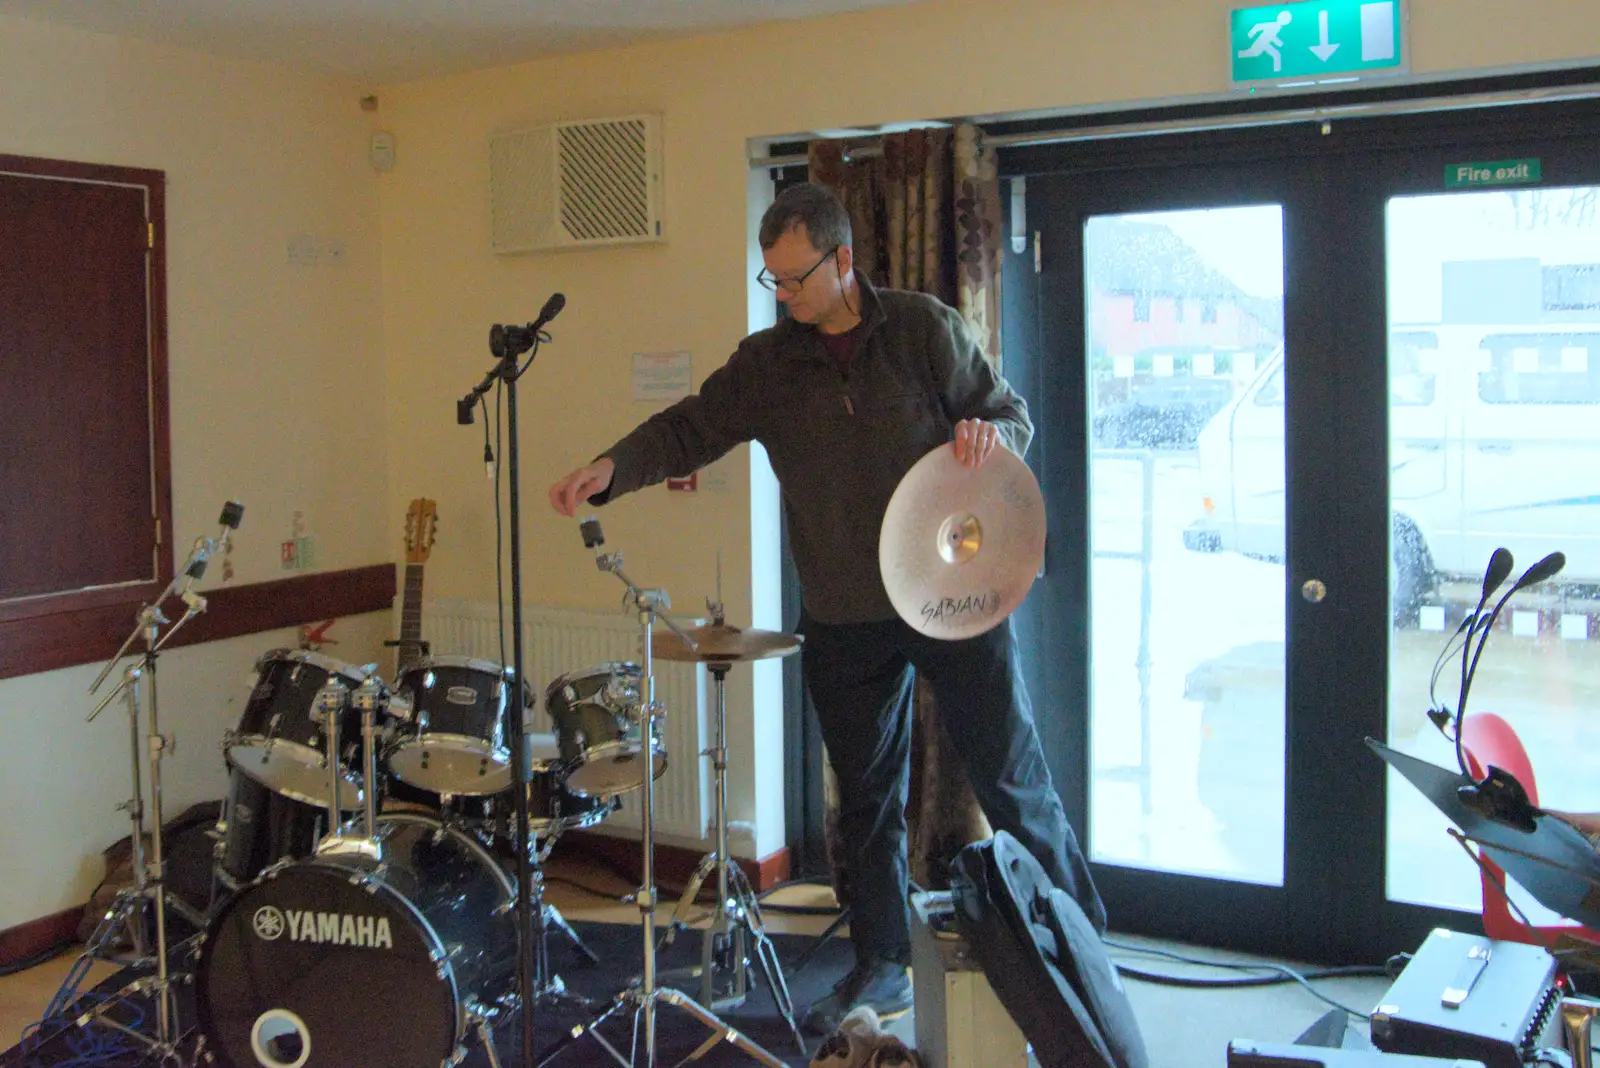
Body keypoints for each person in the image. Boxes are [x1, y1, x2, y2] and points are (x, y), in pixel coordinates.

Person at [549, 182, 1104, 1034]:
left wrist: (991, 438)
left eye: (797, 278)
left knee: (1011, 774)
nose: (786, 296)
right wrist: (612, 469)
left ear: (844, 260)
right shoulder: (768, 366)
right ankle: (882, 958)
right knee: (867, 798)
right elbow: (691, 426)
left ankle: (1078, 940)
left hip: (955, 597)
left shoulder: (923, 329)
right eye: (772, 280)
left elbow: (1006, 413)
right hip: (845, 613)